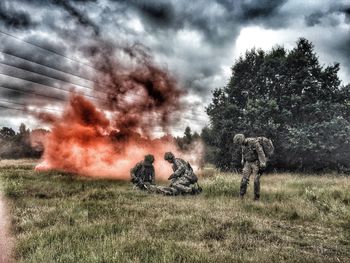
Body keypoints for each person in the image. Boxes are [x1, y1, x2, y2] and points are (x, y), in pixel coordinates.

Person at [234, 134, 273, 200]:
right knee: (244, 180)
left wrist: (263, 163)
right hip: (248, 163)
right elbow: (243, 152)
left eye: (238, 142)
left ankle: (256, 197)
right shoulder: (242, 145)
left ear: (241, 139)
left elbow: (260, 152)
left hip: (256, 162)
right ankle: (241, 195)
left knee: (256, 180)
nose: (238, 144)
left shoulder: (253, 142)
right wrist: (242, 159)